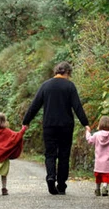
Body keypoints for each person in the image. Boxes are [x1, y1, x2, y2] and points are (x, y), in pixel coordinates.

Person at [22, 61, 90, 195]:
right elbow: (77, 106)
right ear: (68, 73)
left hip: (49, 125)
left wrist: (26, 121)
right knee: (64, 155)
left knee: (50, 153)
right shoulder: (70, 86)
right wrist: (85, 123)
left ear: (56, 72)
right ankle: (62, 185)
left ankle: (51, 177)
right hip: (66, 126)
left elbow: (34, 105)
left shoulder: (45, 86)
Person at [0, 113, 27, 198]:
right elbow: (16, 137)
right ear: (4, 122)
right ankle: (4, 189)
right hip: (3, 157)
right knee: (4, 174)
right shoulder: (7, 131)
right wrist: (23, 130)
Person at [85, 116, 109, 196]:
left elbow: (89, 140)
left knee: (99, 176)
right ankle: (105, 187)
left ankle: (97, 189)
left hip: (99, 161)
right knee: (107, 175)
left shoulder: (96, 135)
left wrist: (88, 132)